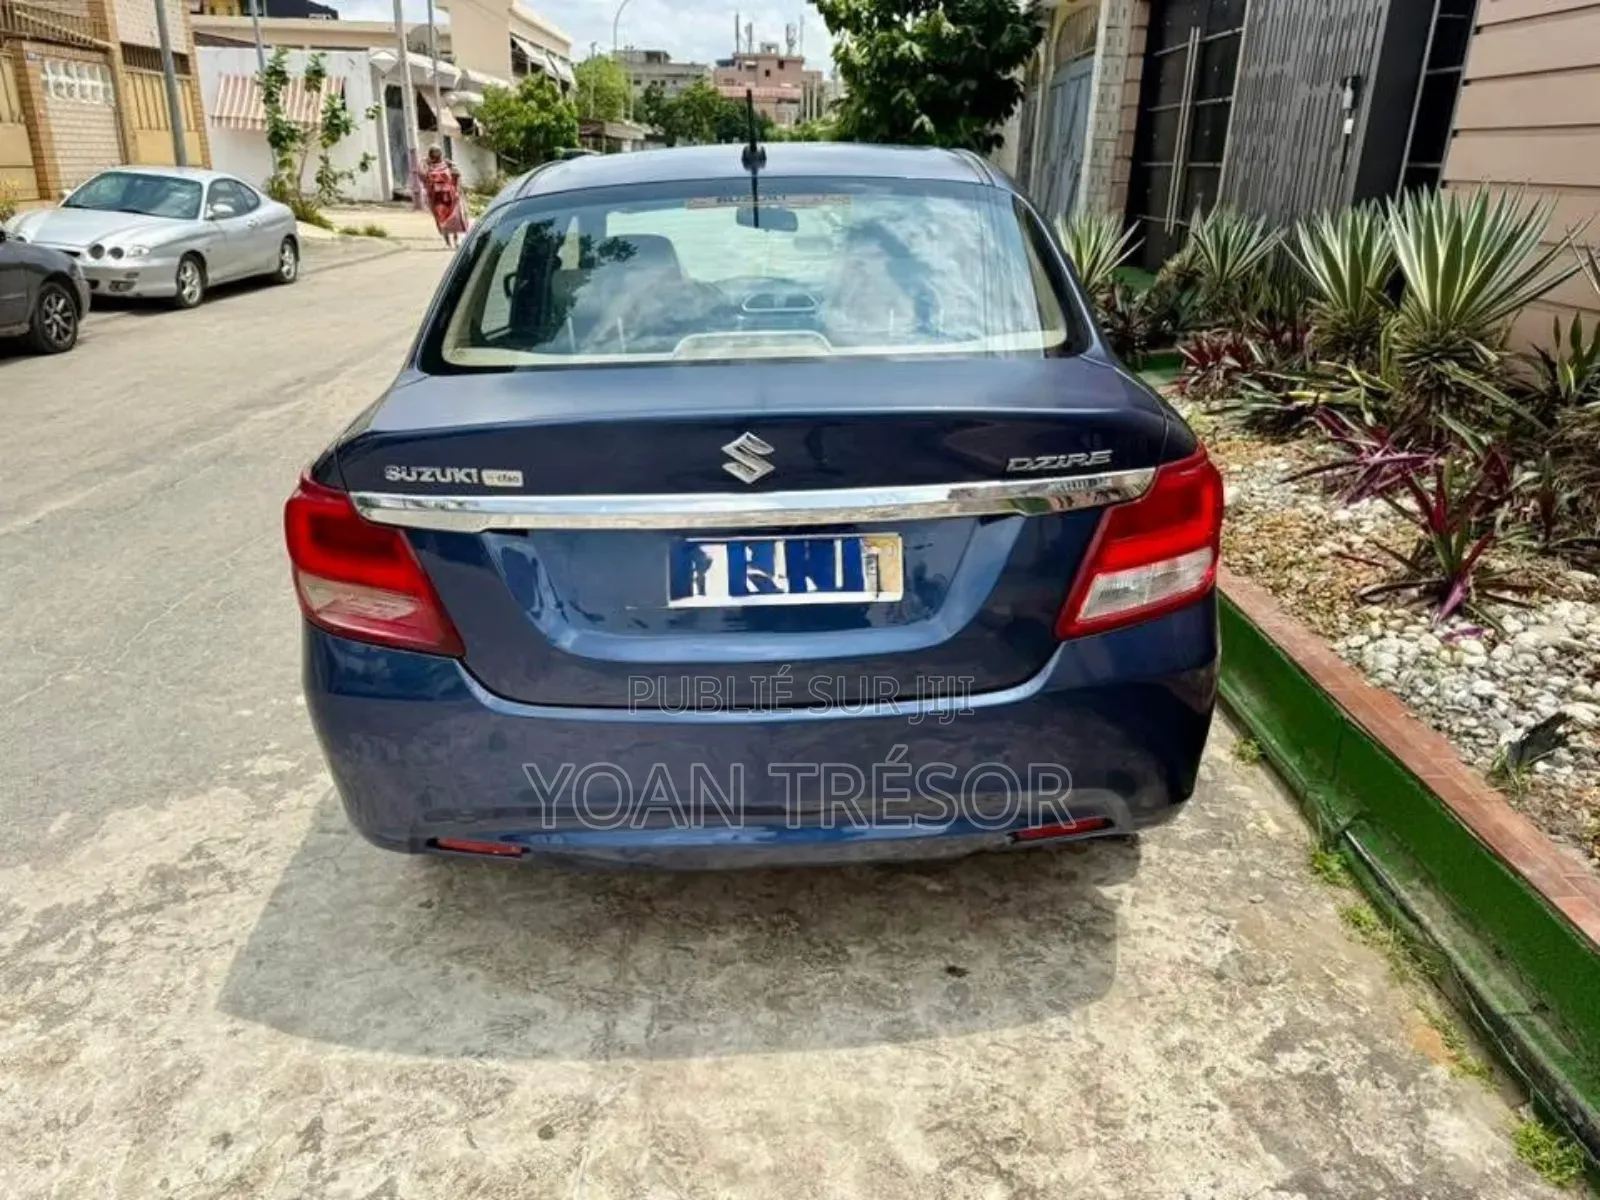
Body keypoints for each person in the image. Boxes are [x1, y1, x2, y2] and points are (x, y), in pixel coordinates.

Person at [422, 145, 467, 249]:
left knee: (454, 217)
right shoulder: (427, 166)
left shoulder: (447, 163)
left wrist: (458, 189)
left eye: (437, 152)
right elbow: (423, 176)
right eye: (434, 152)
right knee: (441, 218)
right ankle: (447, 242)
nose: (436, 154)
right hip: (436, 197)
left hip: (450, 194)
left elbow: (457, 175)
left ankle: (456, 240)